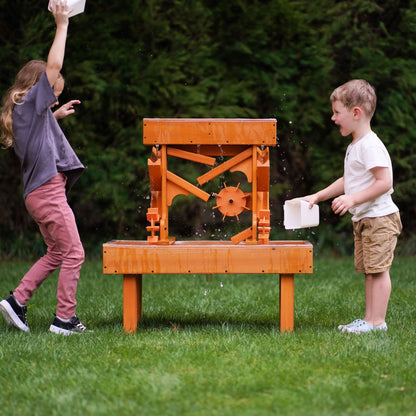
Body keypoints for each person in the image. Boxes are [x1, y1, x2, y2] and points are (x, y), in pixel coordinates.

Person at [0, 0, 89, 335]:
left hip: (35, 194)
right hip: (49, 192)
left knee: (56, 252)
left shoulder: (26, 112)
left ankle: (17, 300)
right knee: (75, 253)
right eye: (51, 93)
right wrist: (62, 24)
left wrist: (56, 115)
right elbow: (53, 65)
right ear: (38, 86)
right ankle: (65, 318)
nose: (52, 97)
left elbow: (40, 132)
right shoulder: (33, 99)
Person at [295, 79, 402, 334]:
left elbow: (385, 182)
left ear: (356, 113)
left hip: (380, 218)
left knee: (378, 271)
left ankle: (378, 322)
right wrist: (318, 196)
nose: (332, 118)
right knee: (370, 271)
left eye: (336, 112)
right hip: (365, 219)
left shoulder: (370, 145)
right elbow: (349, 180)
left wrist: (353, 199)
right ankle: (369, 320)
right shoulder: (355, 145)